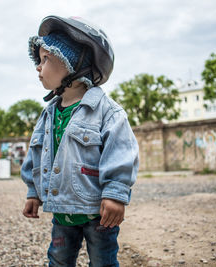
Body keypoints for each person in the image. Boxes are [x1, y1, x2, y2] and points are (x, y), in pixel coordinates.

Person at [21, 15, 139, 267]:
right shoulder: (48, 114)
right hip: (62, 212)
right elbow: (37, 153)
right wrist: (33, 191)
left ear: (73, 62)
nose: (38, 67)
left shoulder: (107, 112)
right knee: (58, 260)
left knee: (102, 261)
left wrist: (116, 194)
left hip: (98, 214)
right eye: (38, 60)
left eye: (46, 59)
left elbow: (121, 153)